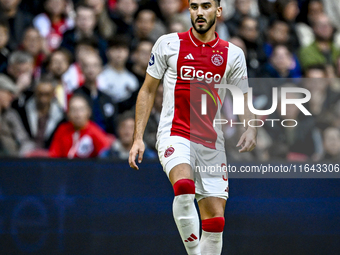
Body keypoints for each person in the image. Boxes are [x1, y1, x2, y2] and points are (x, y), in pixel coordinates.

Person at [128, 1, 257, 254]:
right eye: (194, 6)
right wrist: (138, 138)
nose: (199, 12)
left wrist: (250, 127)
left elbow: (242, 95)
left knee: (216, 222)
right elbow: (148, 89)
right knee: (184, 187)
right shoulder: (168, 44)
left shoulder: (233, 54)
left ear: (218, 12)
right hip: (174, 132)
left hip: (210, 142)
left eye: (206, 6)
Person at [12, 77, 64, 150]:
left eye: (47, 94)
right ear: (35, 92)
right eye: (40, 94)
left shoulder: (61, 116)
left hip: (51, 156)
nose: (43, 99)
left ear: (53, 94)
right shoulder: (22, 112)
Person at [73, 51, 117, 135]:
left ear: (101, 69)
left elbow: (113, 126)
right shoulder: (76, 96)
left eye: (95, 66)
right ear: (81, 69)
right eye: (87, 66)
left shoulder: (107, 98)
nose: (91, 69)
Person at [98, 37, 139, 113]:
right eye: (115, 48)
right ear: (107, 52)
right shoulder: (100, 76)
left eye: (123, 49)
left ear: (128, 53)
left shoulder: (132, 80)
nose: (119, 52)